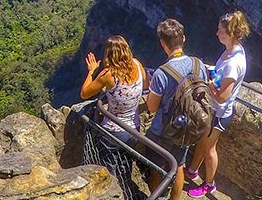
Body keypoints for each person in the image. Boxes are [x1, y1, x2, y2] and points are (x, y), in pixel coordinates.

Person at [186, 11, 250, 197]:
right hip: (214, 109)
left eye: (220, 30)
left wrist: (208, 84)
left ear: (230, 33)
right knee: (203, 142)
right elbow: (222, 79)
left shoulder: (234, 63)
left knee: (209, 149)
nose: (217, 33)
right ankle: (192, 170)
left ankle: (209, 184)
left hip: (219, 113)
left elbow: (222, 96)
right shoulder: (233, 50)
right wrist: (212, 71)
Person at [145, 18, 207, 200]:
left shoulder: (161, 74)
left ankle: (158, 197)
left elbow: (151, 107)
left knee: (157, 168)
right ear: (184, 39)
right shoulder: (199, 65)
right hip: (188, 127)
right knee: (178, 165)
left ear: (163, 44)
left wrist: (151, 87)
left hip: (162, 131)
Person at [80, 35, 149, 199]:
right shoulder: (137, 65)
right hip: (134, 129)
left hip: (113, 132)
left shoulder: (108, 75)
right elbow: (146, 85)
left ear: (109, 54)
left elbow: (84, 93)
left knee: (109, 170)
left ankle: (116, 195)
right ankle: (127, 190)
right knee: (125, 163)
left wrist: (91, 71)